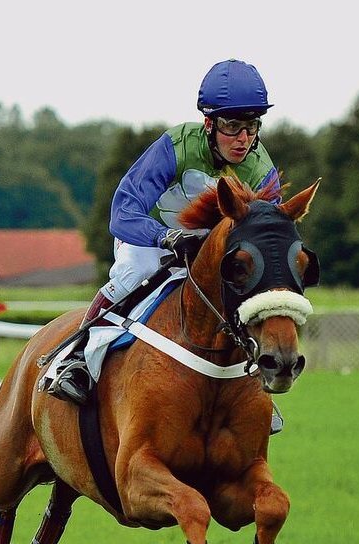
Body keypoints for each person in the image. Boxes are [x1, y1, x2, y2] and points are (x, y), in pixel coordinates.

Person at [48, 59, 281, 406]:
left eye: (251, 125)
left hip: (208, 253)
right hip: (149, 241)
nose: (243, 138)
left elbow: (269, 236)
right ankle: (77, 358)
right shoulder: (175, 147)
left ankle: (254, 382)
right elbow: (122, 211)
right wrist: (165, 237)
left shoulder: (262, 170)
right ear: (209, 123)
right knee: (135, 272)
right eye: (232, 126)